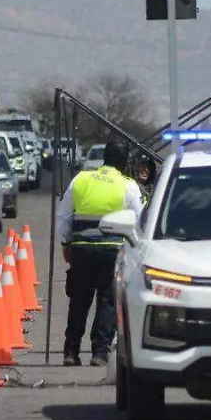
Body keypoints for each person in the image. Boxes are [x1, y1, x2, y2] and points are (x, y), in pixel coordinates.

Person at [55, 139, 145, 367]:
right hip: (112, 252)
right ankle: (100, 352)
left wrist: (66, 243)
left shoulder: (81, 179)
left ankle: (71, 351)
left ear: (105, 157)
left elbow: (64, 216)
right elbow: (140, 222)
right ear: (124, 162)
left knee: (79, 301)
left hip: (82, 250)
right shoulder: (128, 186)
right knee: (107, 302)